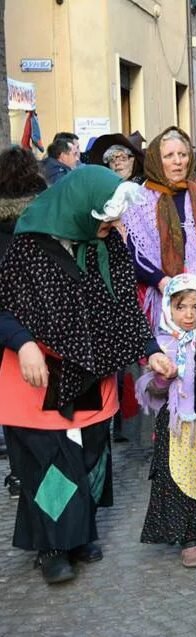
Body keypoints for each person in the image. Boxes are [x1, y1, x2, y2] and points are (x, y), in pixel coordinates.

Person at [0, 166, 174, 584]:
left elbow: (122, 309)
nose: (113, 226)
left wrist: (151, 351)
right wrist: (23, 343)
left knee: (91, 455)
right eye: (106, 218)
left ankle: (78, 532)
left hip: (92, 373)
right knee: (50, 463)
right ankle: (54, 546)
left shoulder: (108, 245)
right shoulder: (26, 247)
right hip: (36, 374)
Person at [137, 274, 196, 568]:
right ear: (169, 309)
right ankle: (188, 537)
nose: (188, 314)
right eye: (181, 307)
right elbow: (150, 388)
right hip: (178, 426)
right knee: (178, 478)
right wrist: (163, 378)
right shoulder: (162, 344)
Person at [123, 127, 196, 327]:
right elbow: (133, 254)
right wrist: (162, 281)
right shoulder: (139, 201)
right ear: (156, 161)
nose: (177, 161)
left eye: (183, 155)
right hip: (160, 294)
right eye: (169, 155)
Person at [0, 146, 47, 499]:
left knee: (18, 419)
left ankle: (22, 476)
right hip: (44, 334)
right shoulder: (48, 218)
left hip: (10, 337)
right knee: (51, 430)